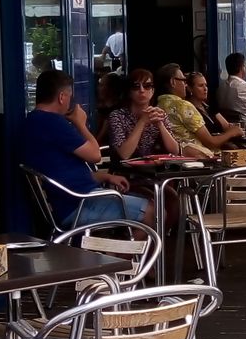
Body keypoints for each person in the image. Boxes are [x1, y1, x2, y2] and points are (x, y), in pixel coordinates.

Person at [20, 69, 150, 228]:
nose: (70, 102)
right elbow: (95, 156)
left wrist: (105, 177)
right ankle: (119, 254)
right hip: (80, 204)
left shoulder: (32, 121)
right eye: (69, 96)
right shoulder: (53, 123)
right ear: (62, 97)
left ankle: (117, 253)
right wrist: (80, 123)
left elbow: (64, 173)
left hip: (71, 199)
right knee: (152, 211)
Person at [106, 69, 182, 201]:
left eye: (147, 86)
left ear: (152, 91)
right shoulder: (117, 116)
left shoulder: (159, 114)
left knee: (174, 198)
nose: (142, 90)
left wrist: (160, 125)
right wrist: (142, 122)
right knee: (161, 199)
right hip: (125, 177)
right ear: (129, 91)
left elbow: (175, 150)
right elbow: (124, 154)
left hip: (154, 176)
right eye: (136, 87)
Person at [157, 62, 242, 155]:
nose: (185, 85)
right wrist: (231, 133)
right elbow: (211, 143)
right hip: (202, 160)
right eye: (183, 80)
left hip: (179, 160)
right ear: (173, 82)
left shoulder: (158, 106)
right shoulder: (183, 106)